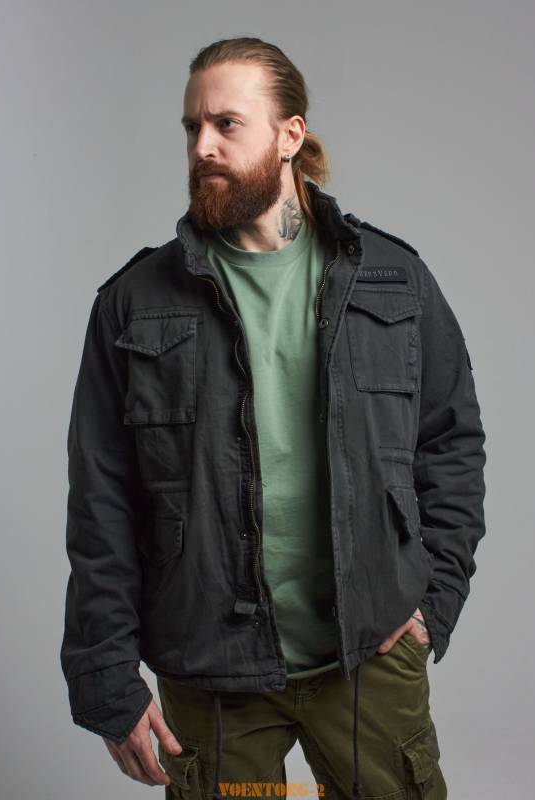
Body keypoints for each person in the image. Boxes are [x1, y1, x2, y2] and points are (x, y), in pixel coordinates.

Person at [60, 36, 487, 800]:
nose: (202, 146)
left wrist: (435, 599)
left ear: (291, 135)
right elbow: (101, 500)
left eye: (226, 124)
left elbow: (451, 443)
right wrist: (106, 674)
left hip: (368, 655)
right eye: (192, 127)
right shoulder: (135, 301)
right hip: (210, 669)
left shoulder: (393, 280)